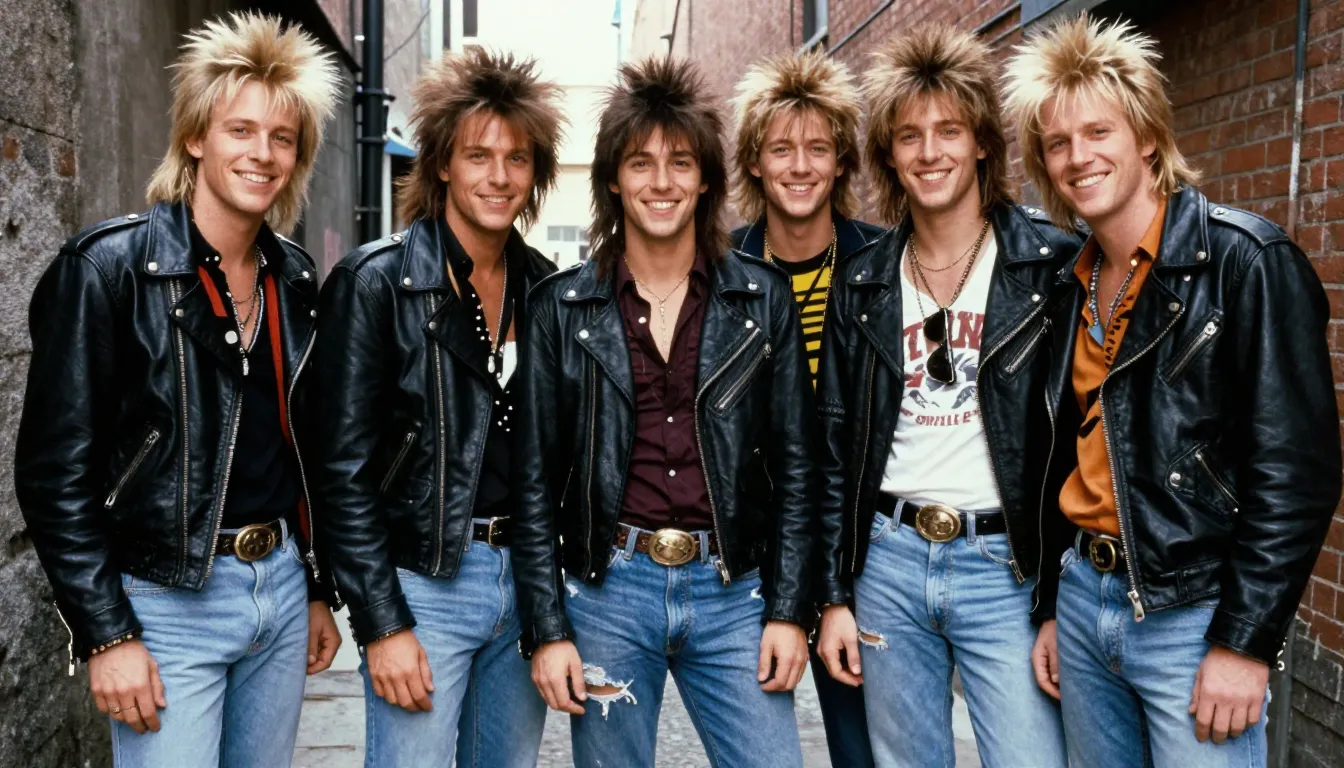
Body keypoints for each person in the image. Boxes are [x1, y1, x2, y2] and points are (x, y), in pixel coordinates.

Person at [1003, 15, 1341, 766]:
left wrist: (1244, 643)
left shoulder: (1246, 261)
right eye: (1057, 143)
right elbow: (1065, 458)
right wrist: (1053, 605)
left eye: (1099, 132)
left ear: (1148, 138)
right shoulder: (1067, 283)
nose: (1078, 157)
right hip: (1084, 603)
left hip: (1192, 618)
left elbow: (1296, 474)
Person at [14, 12, 342, 765]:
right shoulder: (107, 270)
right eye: (240, 130)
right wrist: (106, 632)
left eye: (282, 138)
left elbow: (301, 453)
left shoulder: (293, 278)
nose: (262, 153)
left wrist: (316, 587)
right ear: (196, 137)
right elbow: (54, 474)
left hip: (280, 589)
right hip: (165, 601)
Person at [512, 56, 817, 767]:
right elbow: (533, 483)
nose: (661, 182)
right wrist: (548, 628)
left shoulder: (761, 299)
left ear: (705, 179)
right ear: (613, 180)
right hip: (609, 592)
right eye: (641, 163)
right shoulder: (561, 307)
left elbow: (798, 468)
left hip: (733, 592)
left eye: (680, 162)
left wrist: (788, 609)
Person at [815, 24, 1077, 767]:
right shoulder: (862, 281)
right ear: (889, 155)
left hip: (1006, 566)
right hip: (888, 562)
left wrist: (1056, 597)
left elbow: (1076, 438)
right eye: (909, 136)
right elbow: (834, 448)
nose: (930, 152)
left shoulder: (1049, 266)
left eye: (949, 131)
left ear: (983, 142)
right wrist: (834, 594)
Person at [306, 48, 564, 767]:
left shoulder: (547, 290)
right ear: (444, 163)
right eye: (478, 155)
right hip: (424, 583)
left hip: (524, 580)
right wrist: (381, 621)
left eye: (516, 158)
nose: (498, 176)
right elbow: (340, 472)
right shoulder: (376, 282)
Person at [727, 48, 883, 768]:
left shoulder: (882, 266)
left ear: (842, 161)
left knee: (864, 749)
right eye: (780, 148)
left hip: (860, 552)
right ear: (754, 162)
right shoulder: (721, 270)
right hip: (755, 555)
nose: (799, 166)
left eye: (818, 148)